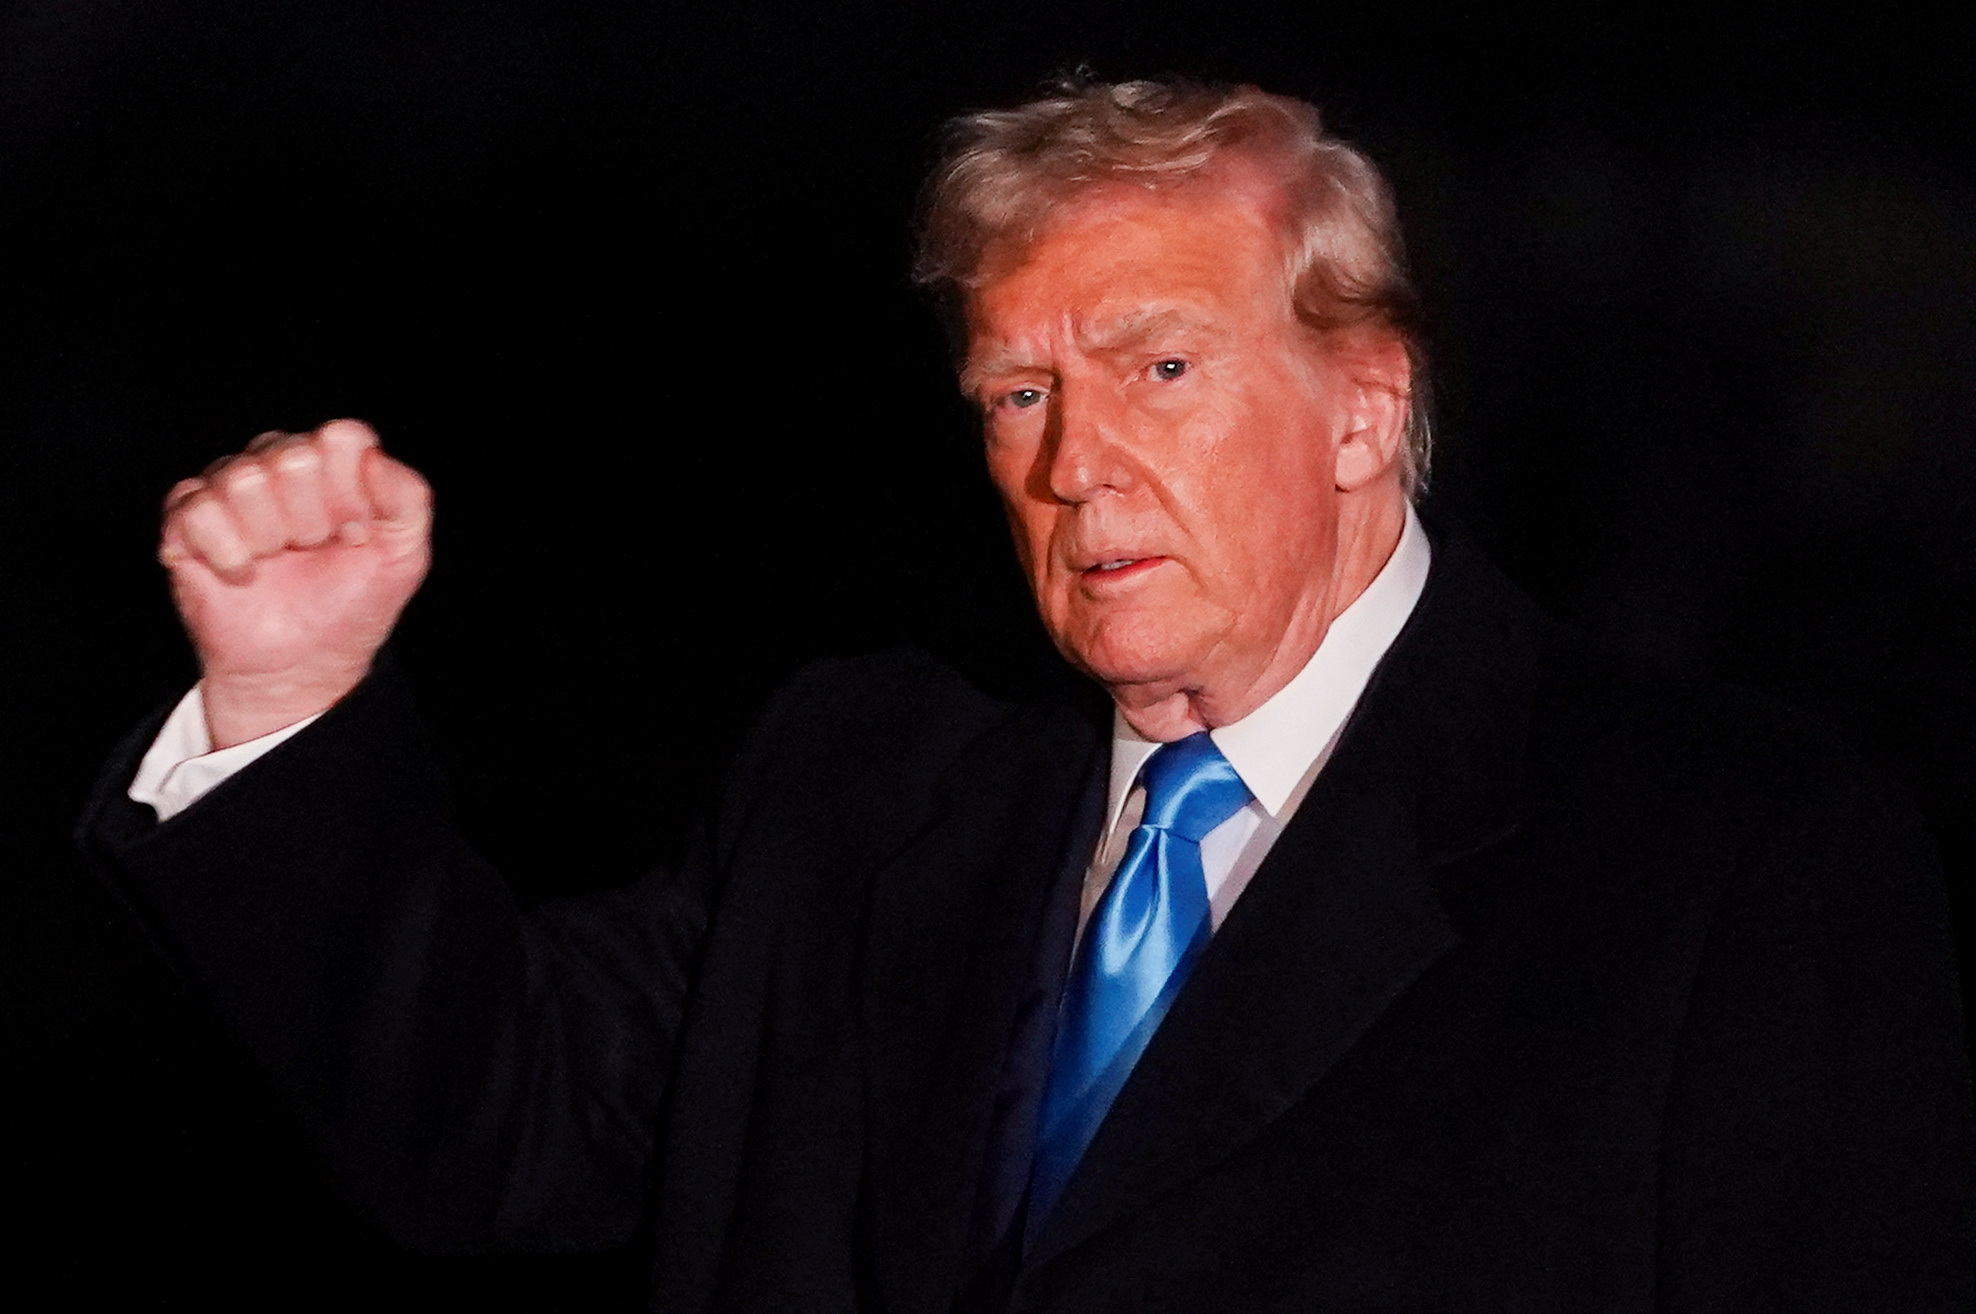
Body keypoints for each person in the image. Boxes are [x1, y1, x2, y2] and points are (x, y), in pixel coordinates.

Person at [81, 80, 1973, 1310]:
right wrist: (290, 699)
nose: (1073, 462)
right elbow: (487, 1127)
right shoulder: (869, 792)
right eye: (1016, 391)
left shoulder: (1732, 858)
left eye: (1155, 367)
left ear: (1367, 407)